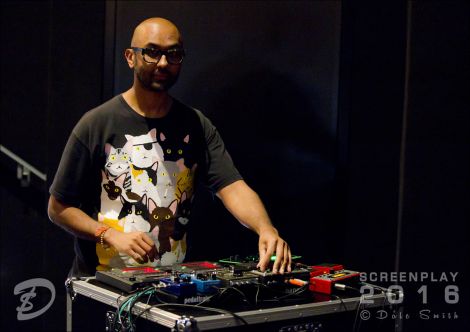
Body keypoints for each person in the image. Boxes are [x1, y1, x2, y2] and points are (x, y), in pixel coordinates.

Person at [48, 17, 291, 277]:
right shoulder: (96, 123)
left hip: (167, 285)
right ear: (130, 57)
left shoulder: (196, 124)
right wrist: (109, 235)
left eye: (173, 54)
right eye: (152, 52)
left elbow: (232, 187)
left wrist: (266, 229)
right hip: (100, 285)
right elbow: (58, 208)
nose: (163, 63)